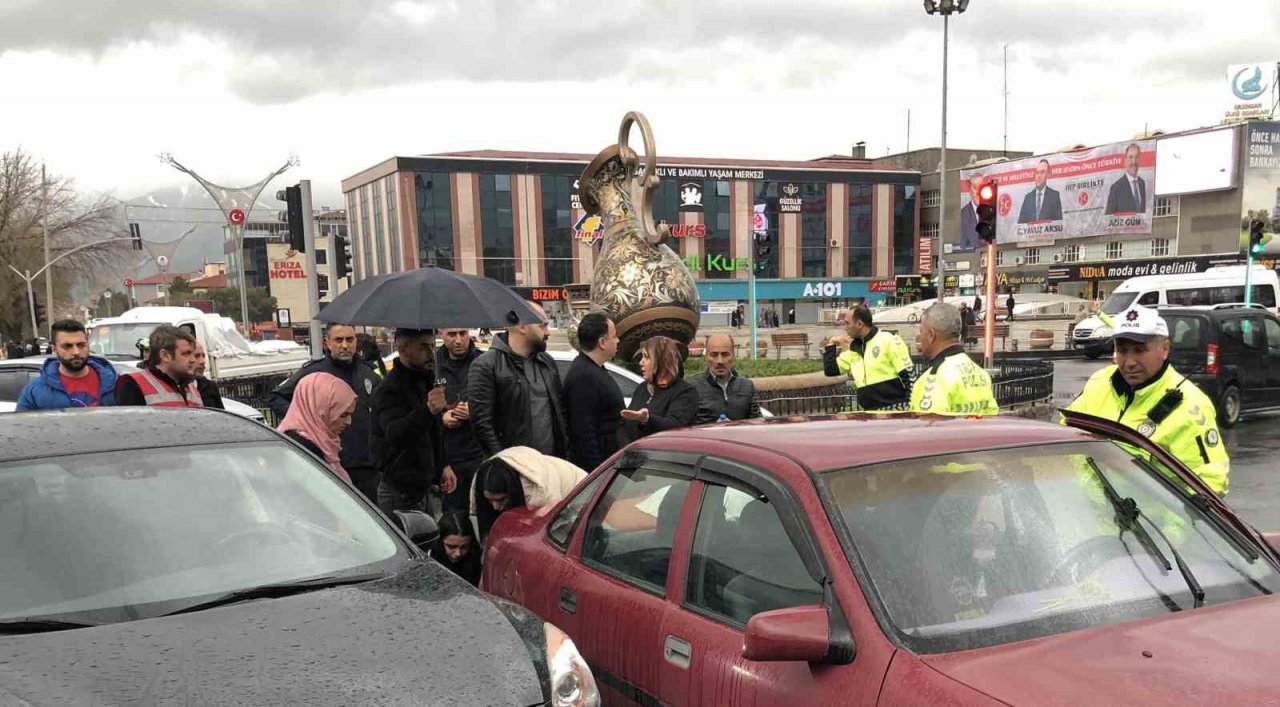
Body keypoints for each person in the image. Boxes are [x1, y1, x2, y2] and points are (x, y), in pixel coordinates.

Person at [1066, 305, 1229, 495]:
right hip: (1088, 518)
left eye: (1139, 350)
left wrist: (1168, 526)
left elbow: (1209, 483)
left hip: (1146, 524)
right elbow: (1067, 435)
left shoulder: (1190, 406)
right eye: (1122, 350)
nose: (1129, 362)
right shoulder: (1100, 382)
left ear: (1165, 349)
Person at [269, 323, 381, 502]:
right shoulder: (314, 372)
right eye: (339, 340)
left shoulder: (366, 372)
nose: (345, 345)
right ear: (327, 343)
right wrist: (311, 418)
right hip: (330, 462)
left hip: (366, 466)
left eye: (350, 339)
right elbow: (276, 398)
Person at [468, 302, 569, 459]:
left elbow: (560, 414)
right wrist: (506, 464)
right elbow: (482, 426)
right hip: (515, 469)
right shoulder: (487, 365)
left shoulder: (547, 362)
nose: (547, 332)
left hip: (551, 466)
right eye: (542, 326)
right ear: (522, 326)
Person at [370, 328, 450, 516]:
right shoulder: (389, 389)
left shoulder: (427, 379)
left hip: (427, 485)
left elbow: (433, 432)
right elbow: (396, 433)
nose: (431, 353)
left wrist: (443, 464)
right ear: (403, 349)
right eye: (424, 347)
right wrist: (428, 409)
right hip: (400, 491)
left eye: (432, 345)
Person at [473, 446, 587, 541]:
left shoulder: (540, 489)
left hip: (582, 497)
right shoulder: (484, 475)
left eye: (500, 500)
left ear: (512, 491)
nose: (495, 506)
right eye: (490, 500)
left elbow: (545, 530)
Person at [911, 303, 998, 416]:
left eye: (921, 331)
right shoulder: (980, 373)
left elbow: (929, 429)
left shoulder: (933, 379)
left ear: (931, 335)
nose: (919, 337)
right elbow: (992, 418)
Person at [562, 312, 624, 471]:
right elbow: (584, 433)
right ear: (602, 342)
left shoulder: (594, 369)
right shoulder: (583, 376)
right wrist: (598, 476)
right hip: (599, 468)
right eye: (614, 336)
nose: (618, 340)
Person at [822, 305, 912, 411]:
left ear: (859, 324)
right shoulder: (854, 349)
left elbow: (909, 376)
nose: (845, 328)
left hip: (894, 410)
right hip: (869, 413)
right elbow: (830, 370)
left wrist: (909, 410)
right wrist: (831, 343)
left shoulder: (888, 340)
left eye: (847, 323)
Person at [16, 319, 118, 411]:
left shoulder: (115, 384)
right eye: (67, 346)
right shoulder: (34, 392)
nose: (76, 352)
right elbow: (21, 427)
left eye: (81, 345)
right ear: (54, 349)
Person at [277, 372, 357, 485]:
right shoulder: (299, 450)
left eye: (350, 414)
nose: (349, 422)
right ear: (320, 409)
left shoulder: (321, 442)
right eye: (342, 415)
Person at [436, 327, 485, 512]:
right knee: (453, 521)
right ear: (442, 334)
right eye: (452, 334)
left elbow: (502, 404)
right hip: (448, 459)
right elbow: (419, 406)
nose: (458, 340)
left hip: (480, 455)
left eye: (462, 333)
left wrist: (475, 411)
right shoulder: (433, 364)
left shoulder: (484, 362)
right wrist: (441, 417)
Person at [621, 335, 699, 443]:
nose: (641, 363)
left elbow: (675, 425)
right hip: (635, 454)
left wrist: (647, 418)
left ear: (662, 360)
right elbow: (626, 425)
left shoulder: (685, 392)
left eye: (646, 357)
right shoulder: (643, 388)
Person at [115, 325, 203, 407]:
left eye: (192, 354)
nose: (193, 360)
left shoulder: (192, 387)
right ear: (165, 356)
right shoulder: (133, 385)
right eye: (186, 354)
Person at [691, 333, 761, 423]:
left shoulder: (747, 386)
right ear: (706, 357)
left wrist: (734, 427)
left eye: (725, 355)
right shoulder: (692, 387)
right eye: (714, 355)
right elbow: (683, 428)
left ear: (733, 356)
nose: (720, 361)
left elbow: (757, 424)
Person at [430, 511, 482, 587]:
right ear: (440, 542)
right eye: (451, 547)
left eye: (464, 547)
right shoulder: (428, 561)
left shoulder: (478, 562)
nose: (458, 553)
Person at [1104, 143, 1147, 215]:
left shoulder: (1142, 183)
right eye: (1130, 157)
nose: (1134, 161)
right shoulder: (1116, 188)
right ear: (1125, 161)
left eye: (1136, 157)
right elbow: (1109, 217)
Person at [191, 342, 224, 410]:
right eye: (196, 356)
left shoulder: (210, 386)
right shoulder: (176, 389)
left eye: (203, 356)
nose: (202, 361)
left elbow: (222, 417)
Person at [959, 173, 985, 250]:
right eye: (975, 187)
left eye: (981, 187)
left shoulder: (993, 211)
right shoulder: (962, 215)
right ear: (970, 190)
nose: (978, 192)